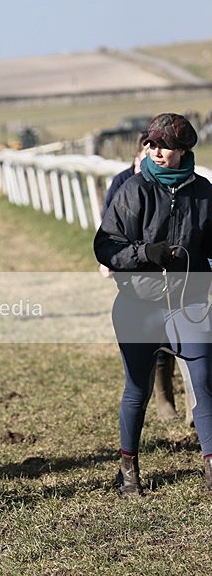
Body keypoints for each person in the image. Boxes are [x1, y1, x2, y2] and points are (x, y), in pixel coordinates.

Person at [94, 113, 212, 495]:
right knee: (136, 389)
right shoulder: (132, 190)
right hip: (138, 305)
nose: (156, 152)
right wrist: (149, 252)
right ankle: (128, 469)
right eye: (152, 144)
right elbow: (106, 246)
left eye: (164, 146)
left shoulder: (205, 193)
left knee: (205, 382)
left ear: (182, 151)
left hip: (189, 305)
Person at [101, 132, 181, 422]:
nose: (157, 154)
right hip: (137, 275)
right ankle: (154, 395)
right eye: (152, 149)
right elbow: (107, 225)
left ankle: (169, 395)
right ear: (141, 154)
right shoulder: (124, 183)